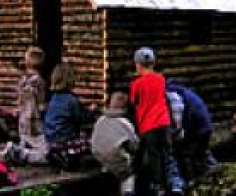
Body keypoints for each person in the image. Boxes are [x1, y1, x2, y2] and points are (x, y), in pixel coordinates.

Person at [129, 47, 184, 196]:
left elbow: (134, 102)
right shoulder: (161, 79)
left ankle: (159, 187)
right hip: (164, 122)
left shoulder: (136, 84)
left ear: (138, 65)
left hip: (148, 125)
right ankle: (174, 185)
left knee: (154, 157)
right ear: (153, 64)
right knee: (168, 153)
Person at [0, 47, 49, 164]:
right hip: (35, 121)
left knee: (25, 142)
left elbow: (20, 100)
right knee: (45, 152)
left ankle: (15, 152)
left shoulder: (23, 80)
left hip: (22, 118)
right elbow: (41, 105)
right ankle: (16, 152)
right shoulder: (40, 82)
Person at [43, 63, 96, 170]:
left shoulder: (53, 98)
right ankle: (69, 158)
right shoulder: (71, 99)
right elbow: (81, 118)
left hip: (50, 139)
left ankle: (59, 155)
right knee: (91, 140)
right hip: (65, 139)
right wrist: (91, 111)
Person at [165, 79, 216, 180]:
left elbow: (178, 112)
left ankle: (195, 178)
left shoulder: (172, 92)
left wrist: (178, 131)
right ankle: (213, 173)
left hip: (197, 128)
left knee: (189, 154)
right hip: (205, 125)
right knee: (201, 152)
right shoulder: (186, 92)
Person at [91, 90, 139, 196]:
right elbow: (134, 145)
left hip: (99, 157)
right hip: (116, 158)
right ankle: (128, 192)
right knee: (128, 173)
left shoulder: (101, 119)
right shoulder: (124, 123)